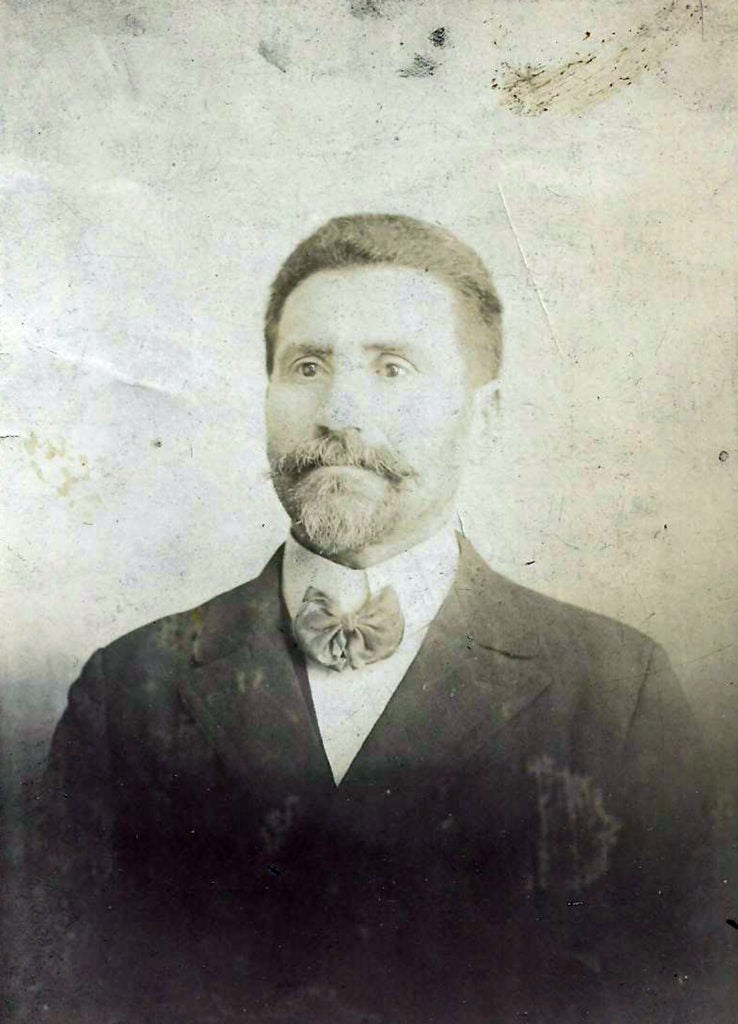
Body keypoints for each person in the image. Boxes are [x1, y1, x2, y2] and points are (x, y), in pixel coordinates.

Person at [25, 214, 722, 1023]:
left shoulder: (616, 690)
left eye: (392, 369)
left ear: (484, 417)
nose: (340, 412)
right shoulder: (128, 689)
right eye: (308, 366)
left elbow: (680, 991)